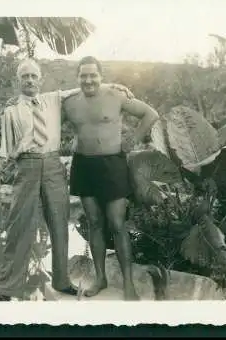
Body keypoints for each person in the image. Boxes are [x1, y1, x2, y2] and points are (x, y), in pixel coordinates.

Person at [63, 56, 160, 301]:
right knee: (94, 223)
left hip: (112, 164)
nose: (88, 80)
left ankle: (129, 284)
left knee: (117, 224)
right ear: (77, 78)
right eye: (83, 75)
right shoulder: (70, 103)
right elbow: (43, 103)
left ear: (100, 76)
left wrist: (133, 140)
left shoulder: (115, 96)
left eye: (92, 75)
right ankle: (101, 278)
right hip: (84, 165)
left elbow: (150, 113)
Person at [0, 58, 81, 301]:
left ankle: (62, 281)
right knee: (19, 226)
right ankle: (7, 288)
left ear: (41, 79)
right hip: (25, 164)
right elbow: (6, 148)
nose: (29, 80)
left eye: (33, 76)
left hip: (52, 163)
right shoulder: (10, 111)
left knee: (59, 223)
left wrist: (116, 88)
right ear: (18, 81)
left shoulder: (53, 99)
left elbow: (84, 87)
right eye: (25, 76)